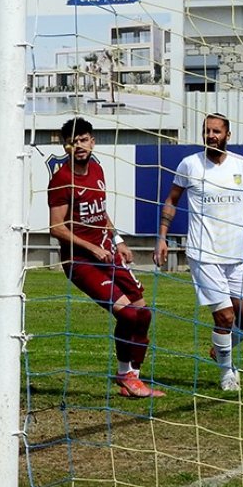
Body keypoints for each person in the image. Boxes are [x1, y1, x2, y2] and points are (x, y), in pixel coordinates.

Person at [153, 113, 243, 391]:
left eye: (217, 131)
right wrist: (162, 237)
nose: (211, 135)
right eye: (207, 131)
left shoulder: (241, 165)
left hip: (235, 255)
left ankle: (221, 349)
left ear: (227, 135)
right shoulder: (190, 165)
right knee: (225, 317)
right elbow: (171, 200)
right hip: (203, 253)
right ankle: (226, 374)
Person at [47, 117, 163, 399]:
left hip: (107, 252)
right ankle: (125, 376)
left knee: (143, 313)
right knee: (127, 313)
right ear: (66, 146)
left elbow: (100, 213)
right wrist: (90, 247)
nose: (80, 146)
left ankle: (132, 377)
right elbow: (56, 227)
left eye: (84, 140)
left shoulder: (98, 168)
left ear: (92, 141)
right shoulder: (61, 180)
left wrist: (118, 240)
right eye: (73, 142)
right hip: (80, 262)